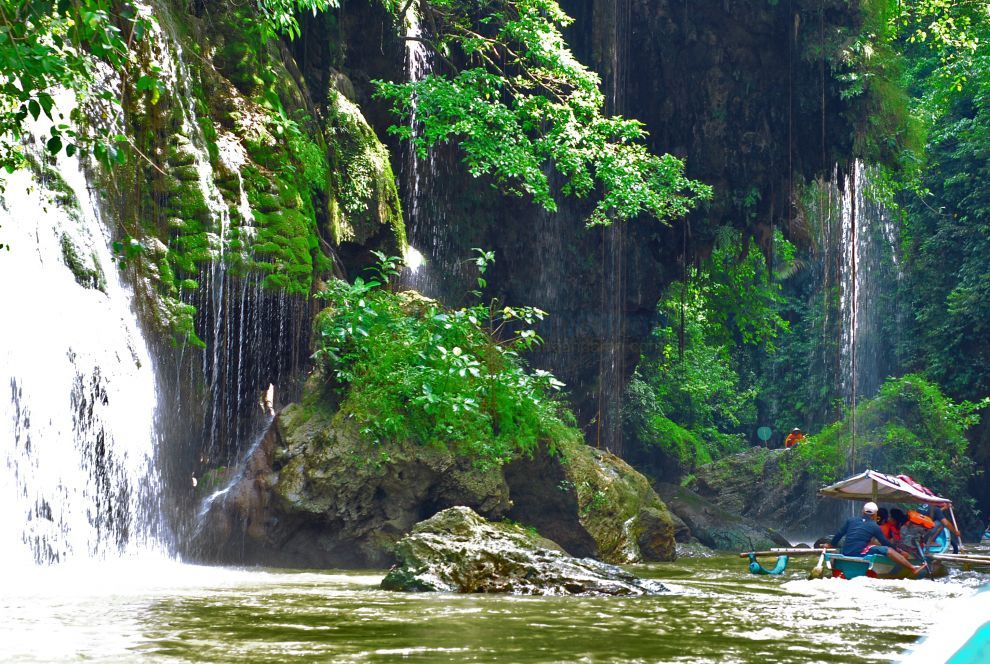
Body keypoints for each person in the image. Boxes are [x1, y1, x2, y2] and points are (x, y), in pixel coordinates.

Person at [829, 502, 926, 575]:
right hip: (858, 552)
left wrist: (831, 545)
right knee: (888, 550)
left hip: (846, 551)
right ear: (875, 515)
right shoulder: (874, 526)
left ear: (863, 511)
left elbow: (839, 534)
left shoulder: (851, 520)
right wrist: (899, 552)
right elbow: (885, 543)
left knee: (873, 546)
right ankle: (912, 568)